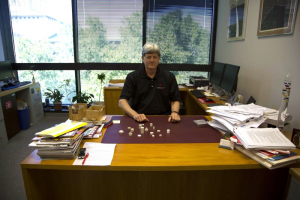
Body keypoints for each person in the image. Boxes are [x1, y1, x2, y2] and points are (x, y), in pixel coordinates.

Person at [119, 43, 181, 123]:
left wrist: (174, 113)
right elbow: (122, 101)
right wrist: (135, 115)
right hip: (139, 118)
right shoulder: (132, 77)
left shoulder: (169, 76)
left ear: (159, 58)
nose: (152, 60)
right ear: (142, 58)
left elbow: (175, 99)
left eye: (155, 57)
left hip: (164, 118)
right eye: (148, 57)